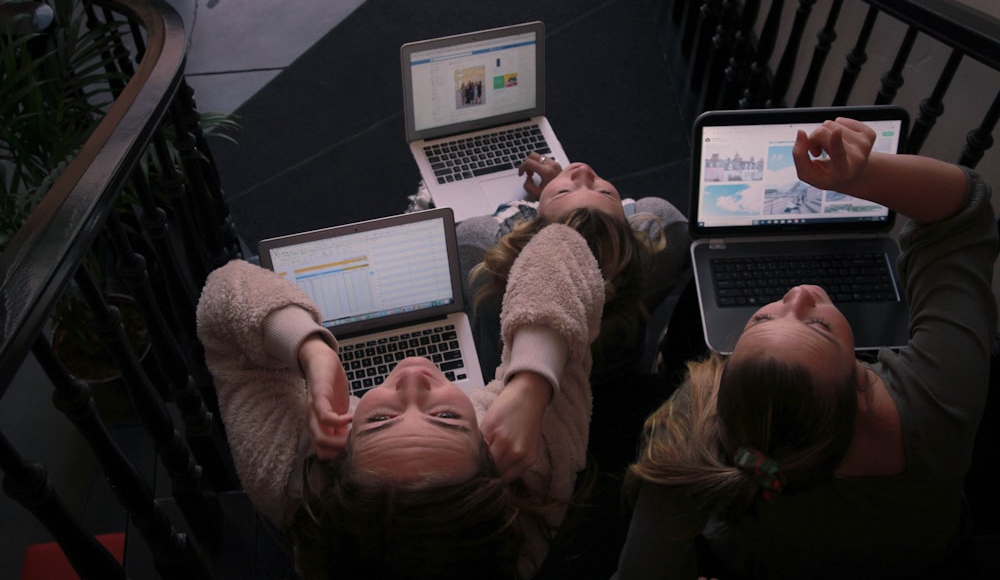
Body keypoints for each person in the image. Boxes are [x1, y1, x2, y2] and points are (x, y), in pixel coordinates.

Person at [614, 117, 998, 579]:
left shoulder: (687, 427)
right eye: (818, 325)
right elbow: (963, 210)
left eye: (763, 318)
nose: (796, 293)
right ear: (862, 383)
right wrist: (865, 176)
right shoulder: (937, 405)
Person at [196, 220, 606, 579]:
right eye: (446, 416)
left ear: (338, 460)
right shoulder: (534, 474)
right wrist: (531, 383)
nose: (412, 375)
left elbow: (225, 288)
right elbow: (561, 244)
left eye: (378, 421)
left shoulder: (292, 478)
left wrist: (310, 350)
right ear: (494, 456)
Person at [457, 152, 690, 378]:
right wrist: (560, 196)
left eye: (563, 191)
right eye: (604, 193)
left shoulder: (481, 255)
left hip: (506, 380)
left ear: (529, 231)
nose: (584, 172)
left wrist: (550, 195)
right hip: (618, 374)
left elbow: (492, 232)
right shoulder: (668, 233)